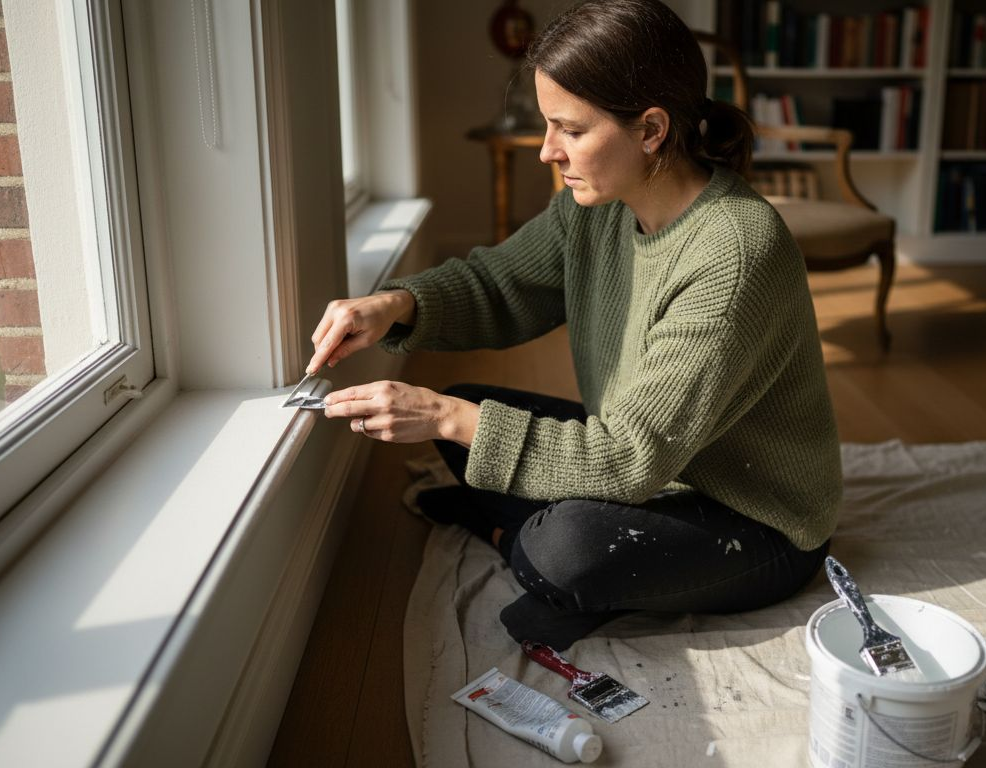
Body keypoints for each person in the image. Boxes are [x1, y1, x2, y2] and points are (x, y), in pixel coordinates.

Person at [306, 0, 840, 650]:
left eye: (570, 129)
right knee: (473, 406)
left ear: (650, 130)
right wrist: (396, 305)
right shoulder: (595, 206)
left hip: (754, 519)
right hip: (649, 468)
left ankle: (521, 543)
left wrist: (442, 418)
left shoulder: (733, 251)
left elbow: (629, 457)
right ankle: (533, 547)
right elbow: (500, 282)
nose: (546, 151)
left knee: (563, 545)